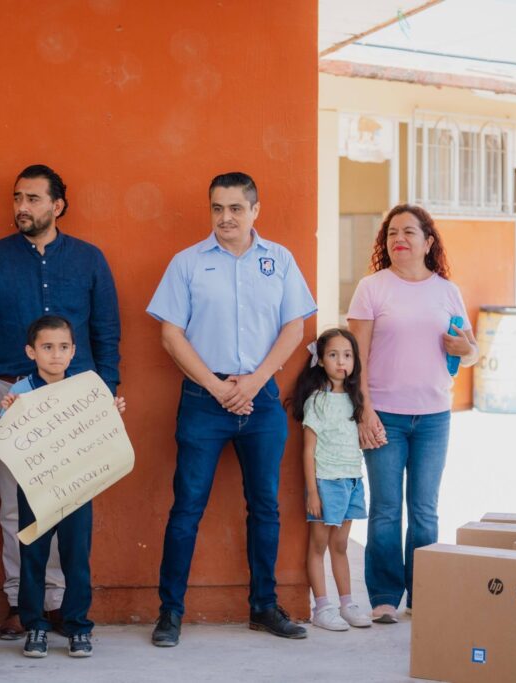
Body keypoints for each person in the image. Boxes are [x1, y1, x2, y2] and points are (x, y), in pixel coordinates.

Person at [147, 172, 317, 646]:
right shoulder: (187, 263)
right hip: (204, 401)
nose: (226, 218)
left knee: (265, 507)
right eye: (217, 208)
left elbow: (294, 327)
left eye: (236, 208)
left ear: (255, 210)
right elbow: (170, 335)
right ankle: (170, 613)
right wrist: (216, 387)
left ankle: (264, 607)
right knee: (187, 508)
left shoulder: (279, 260)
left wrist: (255, 382)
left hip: (261, 401)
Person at [0, 164, 121, 640]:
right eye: (17, 198)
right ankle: (21, 601)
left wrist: (105, 395)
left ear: (58, 205)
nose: (22, 207)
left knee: (68, 504)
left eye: (32, 198)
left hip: (74, 400)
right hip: (12, 395)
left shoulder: (90, 260)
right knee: (16, 505)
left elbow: (106, 333)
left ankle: (60, 604)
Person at [347, 203, 477, 624]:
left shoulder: (447, 291)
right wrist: (364, 412)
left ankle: (423, 593)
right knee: (386, 508)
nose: (398, 239)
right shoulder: (372, 288)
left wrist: (467, 350)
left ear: (428, 242)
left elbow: (470, 351)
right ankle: (385, 595)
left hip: (434, 417)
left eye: (408, 232)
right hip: (384, 415)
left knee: (424, 510)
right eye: (391, 233)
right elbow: (356, 359)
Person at [0, 315, 126, 658]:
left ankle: (77, 626)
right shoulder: (20, 392)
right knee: (33, 557)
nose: (55, 354)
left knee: (76, 557)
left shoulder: (86, 389)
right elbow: (8, 439)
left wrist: (111, 412)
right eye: (47, 347)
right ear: (31, 352)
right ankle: (35, 625)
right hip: (35, 489)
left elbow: (99, 433)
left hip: (76, 486)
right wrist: (9, 413)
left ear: (73, 351)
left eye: (63, 347)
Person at [285, 328, 372, 631]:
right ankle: (322, 607)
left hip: (352, 481)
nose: (341, 361)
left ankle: (347, 604)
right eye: (333, 355)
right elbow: (308, 450)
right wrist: (313, 492)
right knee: (319, 545)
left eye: (347, 355)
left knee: (341, 544)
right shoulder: (317, 401)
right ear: (320, 360)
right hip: (325, 482)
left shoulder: (355, 399)